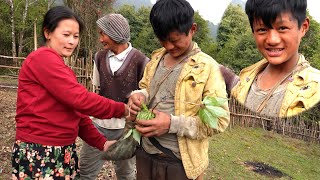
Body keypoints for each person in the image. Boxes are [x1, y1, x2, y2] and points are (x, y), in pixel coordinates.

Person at [12, 6, 130, 179]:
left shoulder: (61, 67)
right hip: (40, 150)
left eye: (75, 37)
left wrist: (102, 143)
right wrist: (124, 109)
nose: (72, 42)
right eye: (66, 35)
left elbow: (77, 113)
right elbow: (81, 100)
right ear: (47, 33)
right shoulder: (42, 58)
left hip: (61, 150)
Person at [127, 0, 230, 179]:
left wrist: (171, 124)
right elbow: (145, 88)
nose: (168, 46)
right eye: (162, 40)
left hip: (180, 163)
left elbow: (219, 121)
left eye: (174, 40)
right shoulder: (156, 60)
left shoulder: (207, 68)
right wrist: (138, 96)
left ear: (193, 29)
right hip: (145, 152)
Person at [79, 13, 149, 180]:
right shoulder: (99, 57)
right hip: (98, 124)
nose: (100, 39)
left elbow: (145, 94)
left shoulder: (141, 61)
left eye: (103, 34)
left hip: (126, 128)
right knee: (86, 172)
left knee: (126, 174)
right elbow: (97, 89)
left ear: (115, 34)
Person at [231, 0, 320, 118]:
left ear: (303, 27)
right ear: (253, 31)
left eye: (282, 28)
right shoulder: (245, 77)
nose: (272, 40)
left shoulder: (315, 87)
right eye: (262, 29)